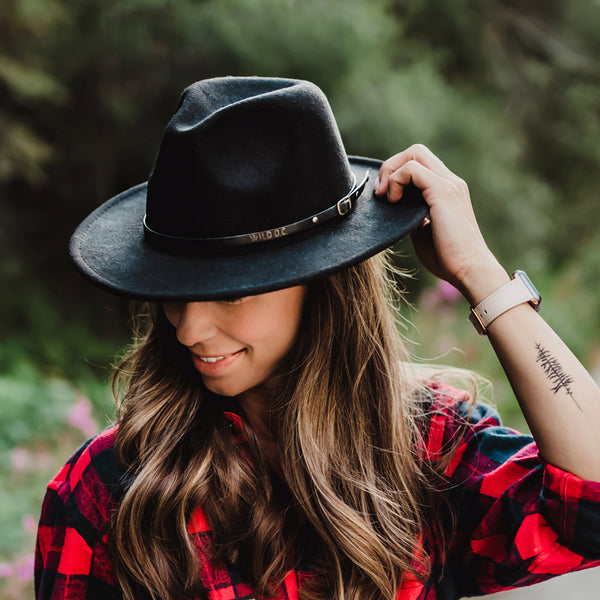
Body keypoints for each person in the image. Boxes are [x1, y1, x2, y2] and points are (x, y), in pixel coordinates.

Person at [35, 76, 600, 600]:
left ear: (321, 285)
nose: (188, 328)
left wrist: (480, 273)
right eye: (175, 289)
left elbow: (590, 513)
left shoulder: (430, 448)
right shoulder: (111, 489)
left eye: (230, 292)